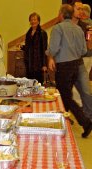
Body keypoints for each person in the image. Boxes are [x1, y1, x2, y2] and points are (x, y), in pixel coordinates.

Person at [46, 4, 92, 138]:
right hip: (77, 65)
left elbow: (53, 48)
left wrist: (49, 55)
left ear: (61, 14)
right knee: (66, 95)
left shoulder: (58, 28)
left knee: (64, 96)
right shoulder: (78, 29)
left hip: (64, 66)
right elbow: (84, 50)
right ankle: (63, 123)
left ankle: (85, 122)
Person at [71, 1, 92, 121]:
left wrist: (90, 40)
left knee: (86, 90)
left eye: (82, 9)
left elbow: (88, 48)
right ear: (71, 10)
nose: (81, 11)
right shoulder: (63, 25)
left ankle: (89, 117)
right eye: (78, 8)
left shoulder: (85, 26)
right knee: (66, 94)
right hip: (66, 65)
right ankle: (69, 116)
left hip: (80, 62)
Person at [23, 12, 48, 84]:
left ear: (38, 21)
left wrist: (44, 64)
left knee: (38, 83)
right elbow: (29, 47)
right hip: (29, 63)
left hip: (38, 64)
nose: (33, 21)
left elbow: (44, 49)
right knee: (29, 83)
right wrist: (22, 47)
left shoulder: (42, 33)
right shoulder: (28, 33)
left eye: (34, 19)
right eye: (31, 20)